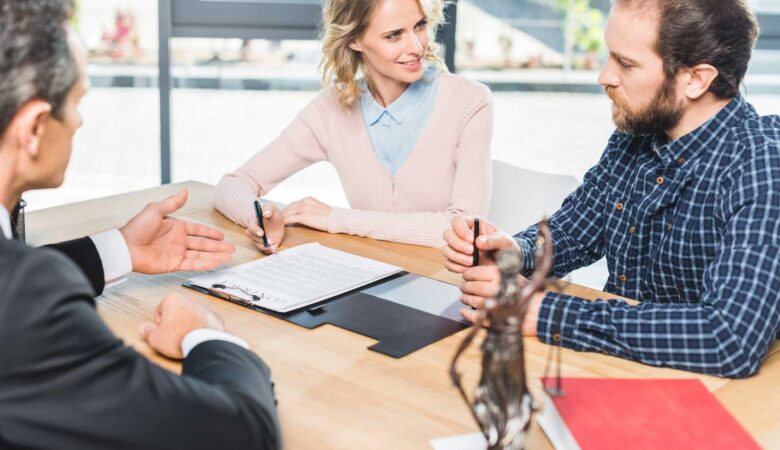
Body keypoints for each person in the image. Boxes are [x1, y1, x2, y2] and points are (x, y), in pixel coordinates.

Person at [443, 0, 780, 378]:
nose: (604, 76)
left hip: (709, 396)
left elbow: (729, 338)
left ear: (696, 79)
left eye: (626, 63)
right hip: (616, 371)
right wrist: (515, 253)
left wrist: (543, 312)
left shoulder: (763, 167)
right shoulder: (636, 135)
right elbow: (575, 232)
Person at [0, 1, 281, 448]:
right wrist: (204, 335)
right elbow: (241, 434)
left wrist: (123, 248)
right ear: (34, 127)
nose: (80, 122)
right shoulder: (30, 300)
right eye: (76, 103)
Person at [213, 0, 493, 251]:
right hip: (368, 282)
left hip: (446, 289)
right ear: (355, 39)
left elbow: (467, 228)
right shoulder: (332, 109)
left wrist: (336, 219)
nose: (417, 46)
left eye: (420, 26)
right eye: (394, 35)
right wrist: (261, 217)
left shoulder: (469, 102)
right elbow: (233, 185)